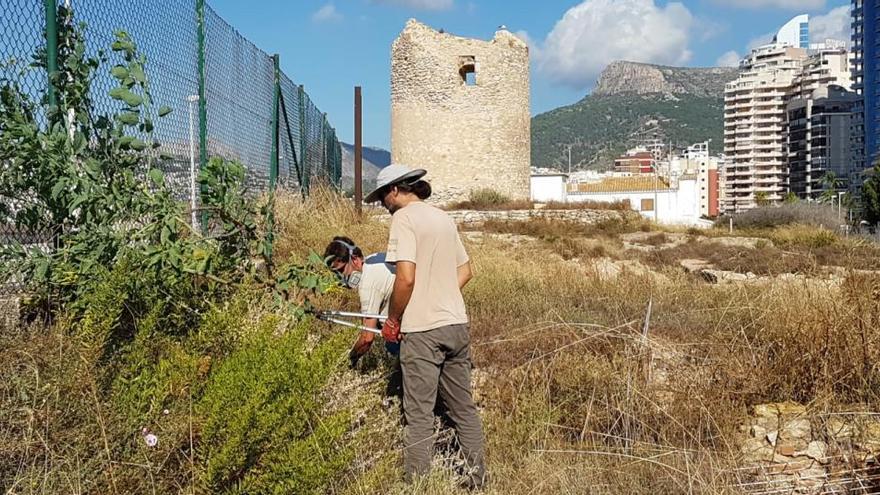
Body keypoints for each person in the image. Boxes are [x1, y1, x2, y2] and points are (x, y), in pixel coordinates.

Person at [364, 164, 487, 489]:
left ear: (394, 191)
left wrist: (392, 320)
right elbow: (466, 271)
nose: (382, 204)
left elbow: (405, 277)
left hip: (423, 332)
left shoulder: (403, 219)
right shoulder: (442, 218)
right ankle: (477, 481)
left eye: (381, 198)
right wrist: (440, 294)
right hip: (456, 324)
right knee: (464, 410)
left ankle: (418, 486)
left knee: (418, 415)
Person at [322, 237, 399, 369]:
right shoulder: (374, 259)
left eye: (341, 271)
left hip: (411, 331)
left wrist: (349, 361)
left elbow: (367, 338)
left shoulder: (367, 284)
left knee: (391, 344)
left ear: (355, 259)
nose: (341, 278)